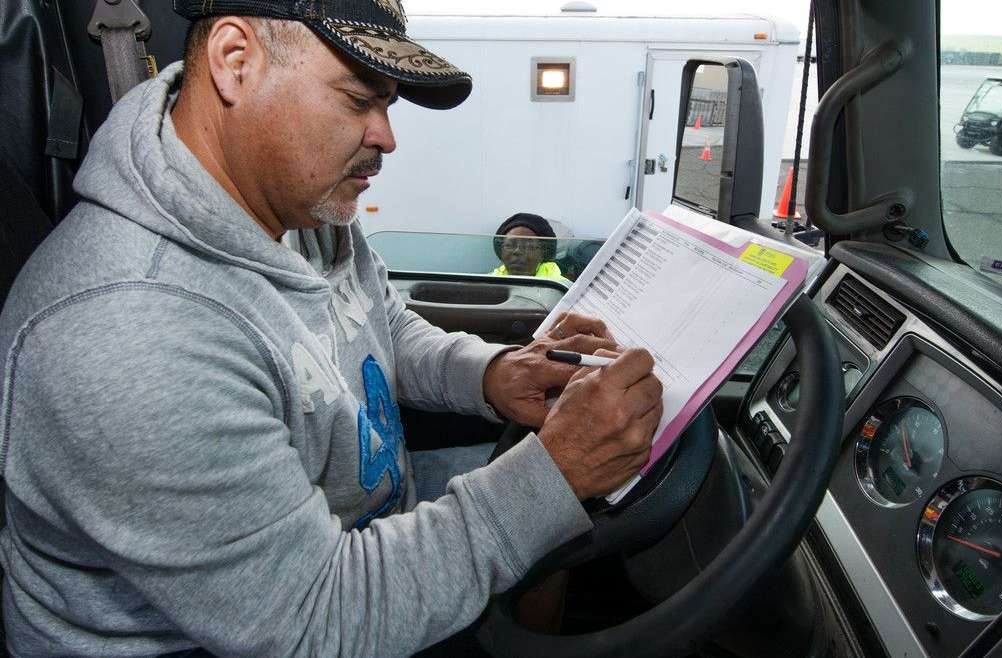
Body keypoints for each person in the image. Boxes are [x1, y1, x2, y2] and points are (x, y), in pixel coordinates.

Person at [0, 1, 663, 656]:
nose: (386, 135)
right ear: (235, 62)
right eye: (355, 99)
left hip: (350, 527)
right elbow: (312, 621)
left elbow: (379, 323)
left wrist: (490, 375)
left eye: (388, 104)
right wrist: (553, 476)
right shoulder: (128, 333)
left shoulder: (301, 206)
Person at [491, 213, 564, 279]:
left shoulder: (565, 290)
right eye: (509, 245)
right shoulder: (488, 284)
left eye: (528, 246)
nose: (518, 251)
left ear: (543, 252)